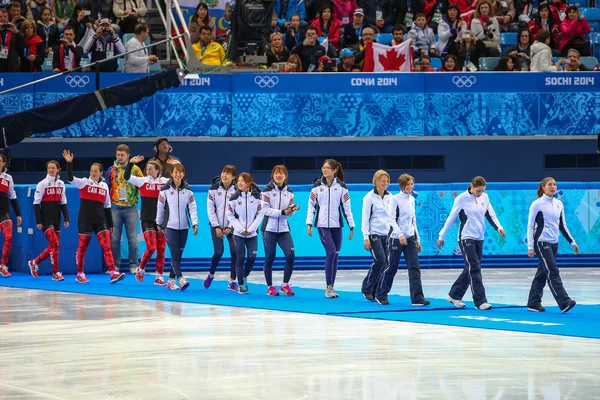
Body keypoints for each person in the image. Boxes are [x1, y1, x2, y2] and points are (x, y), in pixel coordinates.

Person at [437, 176, 506, 310]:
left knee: (471, 267)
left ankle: (454, 295)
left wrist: (499, 227)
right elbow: (451, 218)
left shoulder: (485, 197)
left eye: (482, 191)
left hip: (479, 237)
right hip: (466, 237)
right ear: (472, 186)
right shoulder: (461, 199)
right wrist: (442, 236)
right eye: (478, 191)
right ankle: (480, 301)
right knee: (474, 267)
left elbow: (490, 215)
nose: (480, 193)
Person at [62, 150, 126, 284]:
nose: (93, 173)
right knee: (83, 248)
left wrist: (111, 224)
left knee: (106, 246)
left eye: (96, 171)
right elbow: (70, 178)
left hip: (100, 221)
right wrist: (69, 164)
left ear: (101, 173)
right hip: (85, 220)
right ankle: (80, 273)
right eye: (92, 170)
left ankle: (113, 273)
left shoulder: (104, 186)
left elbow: (107, 206)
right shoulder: (84, 182)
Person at [376, 173, 430, 306]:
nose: (410, 187)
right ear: (401, 185)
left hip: (410, 238)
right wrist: (400, 234)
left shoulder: (412, 200)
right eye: (407, 184)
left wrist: (417, 239)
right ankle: (381, 294)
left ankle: (417, 298)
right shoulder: (394, 199)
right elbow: (391, 219)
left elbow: (413, 220)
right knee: (391, 267)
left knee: (414, 267)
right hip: (396, 238)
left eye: (411, 184)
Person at [526, 177, 578, 313]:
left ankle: (533, 302)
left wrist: (572, 241)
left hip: (554, 242)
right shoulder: (537, 204)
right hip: (541, 241)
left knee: (543, 272)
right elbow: (530, 225)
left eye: (554, 184)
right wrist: (530, 246)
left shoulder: (559, 204)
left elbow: (562, 225)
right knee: (552, 271)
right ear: (543, 187)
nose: (553, 186)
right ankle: (564, 302)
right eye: (550, 184)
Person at [306, 159, 355, 299]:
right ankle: (328, 287)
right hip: (322, 226)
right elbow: (311, 206)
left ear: (334, 170)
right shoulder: (316, 186)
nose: (324, 170)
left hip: (337, 226)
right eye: (323, 168)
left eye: (327, 168)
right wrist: (309, 223)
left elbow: (347, 208)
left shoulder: (342, 187)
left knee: (336, 255)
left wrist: (352, 226)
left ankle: (332, 286)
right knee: (331, 252)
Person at [124, 155, 170, 285]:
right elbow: (126, 177)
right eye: (147, 169)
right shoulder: (143, 181)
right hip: (147, 219)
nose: (148, 171)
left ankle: (159, 277)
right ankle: (141, 268)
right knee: (151, 247)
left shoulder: (165, 181)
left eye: (151, 169)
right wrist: (130, 164)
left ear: (158, 170)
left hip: (161, 221)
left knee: (161, 249)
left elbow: (180, 181)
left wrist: (177, 164)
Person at [156, 163, 198, 291]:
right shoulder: (164, 190)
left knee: (178, 254)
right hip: (169, 226)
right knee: (174, 252)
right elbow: (160, 208)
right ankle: (181, 279)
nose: (178, 174)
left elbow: (193, 208)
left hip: (184, 227)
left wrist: (195, 223)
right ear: (171, 174)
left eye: (180, 172)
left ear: (183, 174)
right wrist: (158, 222)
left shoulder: (188, 190)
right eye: (176, 172)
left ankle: (170, 280)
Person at [261, 165, 299, 296]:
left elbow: (290, 210)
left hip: (283, 229)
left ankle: (285, 284)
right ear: (273, 175)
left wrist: (292, 210)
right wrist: (283, 212)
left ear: (285, 176)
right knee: (270, 256)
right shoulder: (266, 190)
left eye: (281, 173)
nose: (279, 175)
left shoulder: (290, 192)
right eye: (276, 173)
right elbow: (265, 209)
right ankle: (270, 286)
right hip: (269, 229)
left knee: (290, 255)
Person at [28, 160, 69, 281]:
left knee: (53, 246)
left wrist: (66, 218)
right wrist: (38, 221)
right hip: (46, 220)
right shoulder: (42, 184)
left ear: (58, 170)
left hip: (57, 219)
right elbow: (36, 204)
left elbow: (63, 202)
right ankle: (55, 273)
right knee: (55, 244)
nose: (51, 170)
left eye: (53, 168)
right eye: (49, 168)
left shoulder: (61, 184)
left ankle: (34, 262)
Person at [105, 144, 142, 274]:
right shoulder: (110, 170)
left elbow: (141, 185)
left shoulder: (136, 169)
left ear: (128, 155)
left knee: (132, 238)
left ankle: (133, 265)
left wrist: (134, 198)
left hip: (131, 208)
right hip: (114, 208)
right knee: (114, 238)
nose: (120, 157)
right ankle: (115, 265)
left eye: (122, 155)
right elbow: (106, 187)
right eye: (118, 155)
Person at [226, 173, 264, 295]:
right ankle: (242, 284)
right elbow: (230, 215)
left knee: (252, 257)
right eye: (238, 181)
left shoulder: (258, 196)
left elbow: (260, 214)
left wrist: (252, 228)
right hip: (238, 234)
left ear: (249, 182)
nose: (240, 183)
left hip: (252, 234)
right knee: (240, 257)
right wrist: (240, 229)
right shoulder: (233, 198)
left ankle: (244, 276)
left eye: (243, 181)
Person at [204, 165, 239, 291]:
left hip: (232, 226)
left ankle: (232, 281)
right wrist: (217, 226)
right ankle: (211, 275)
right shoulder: (213, 189)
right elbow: (210, 210)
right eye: (223, 172)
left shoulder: (237, 190)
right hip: (216, 225)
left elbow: (237, 211)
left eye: (228, 173)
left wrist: (230, 226)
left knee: (235, 251)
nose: (224, 175)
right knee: (219, 252)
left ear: (233, 177)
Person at [360, 170, 393, 302]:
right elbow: (365, 218)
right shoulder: (369, 198)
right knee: (380, 259)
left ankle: (376, 290)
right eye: (382, 180)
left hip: (387, 235)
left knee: (386, 263)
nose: (384, 183)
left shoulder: (391, 197)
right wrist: (366, 237)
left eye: (387, 181)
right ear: (375, 181)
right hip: (374, 234)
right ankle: (367, 288)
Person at [0, 154, 22, 278]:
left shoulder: (8, 178)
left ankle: (3, 265)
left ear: (3, 163)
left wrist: (18, 214)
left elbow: (12, 197)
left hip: (3, 213)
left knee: (8, 237)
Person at [0, 8, 25, 73]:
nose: (3, 18)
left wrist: (17, 32)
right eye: (0, 16)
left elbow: (22, 46)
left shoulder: (13, 29)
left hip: (12, 65)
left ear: (8, 18)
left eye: (5, 16)